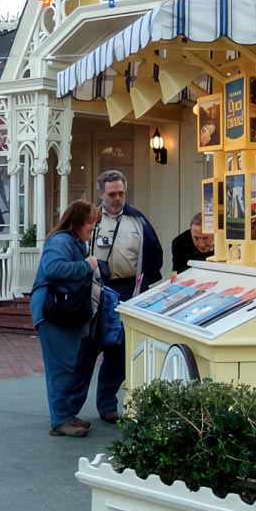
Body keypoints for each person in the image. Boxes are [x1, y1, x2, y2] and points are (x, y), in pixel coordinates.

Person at [91, 170, 163, 423]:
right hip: (95, 290)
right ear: (101, 194)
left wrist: (145, 288)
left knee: (118, 348)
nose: (117, 198)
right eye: (112, 194)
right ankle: (68, 408)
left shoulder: (137, 220)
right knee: (88, 348)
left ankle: (107, 404)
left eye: (121, 193)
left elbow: (155, 254)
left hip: (128, 290)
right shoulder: (92, 220)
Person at [29, 200, 101, 438]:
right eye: (91, 222)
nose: (93, 227)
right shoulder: (61, 241)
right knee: (60, 366)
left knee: (67, 363)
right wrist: (86, 266)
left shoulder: (69, 241)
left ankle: (65, 416)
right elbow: (53, 269)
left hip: (59, 312)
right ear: (78, 221)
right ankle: (60, 420)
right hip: (54, 313)